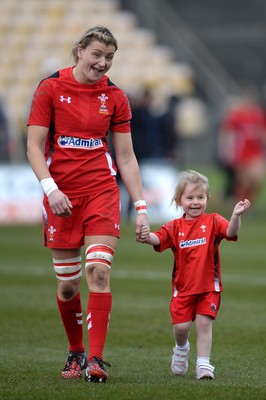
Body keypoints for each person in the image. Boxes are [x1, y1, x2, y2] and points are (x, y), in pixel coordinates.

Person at [27, 25, 149, 384]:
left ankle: (96, 359)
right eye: (97, 54)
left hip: (101, 192)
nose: (103, 63)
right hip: (61, 197)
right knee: (67, 286)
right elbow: (34, 146)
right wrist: (51, 189)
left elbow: (125, 157)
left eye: (109, 57)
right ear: (80, 50)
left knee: (98, 270)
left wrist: (140, 207)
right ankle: (76, 350)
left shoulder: (115, 97)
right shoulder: (50, 87)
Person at [139, 170, 250, 380]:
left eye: (200, 197)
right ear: (179, 200)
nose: (195, 202)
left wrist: (235, 215)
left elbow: (231, 232)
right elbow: (158, 238)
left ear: (207, 199)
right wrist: (146, 236)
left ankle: (203, 365)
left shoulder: (214, 221)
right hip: (182, 289)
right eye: (190, 198)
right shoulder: (175, 226)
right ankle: (181, 349)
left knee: (204, 324)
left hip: (209, 287)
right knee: (181, 328)